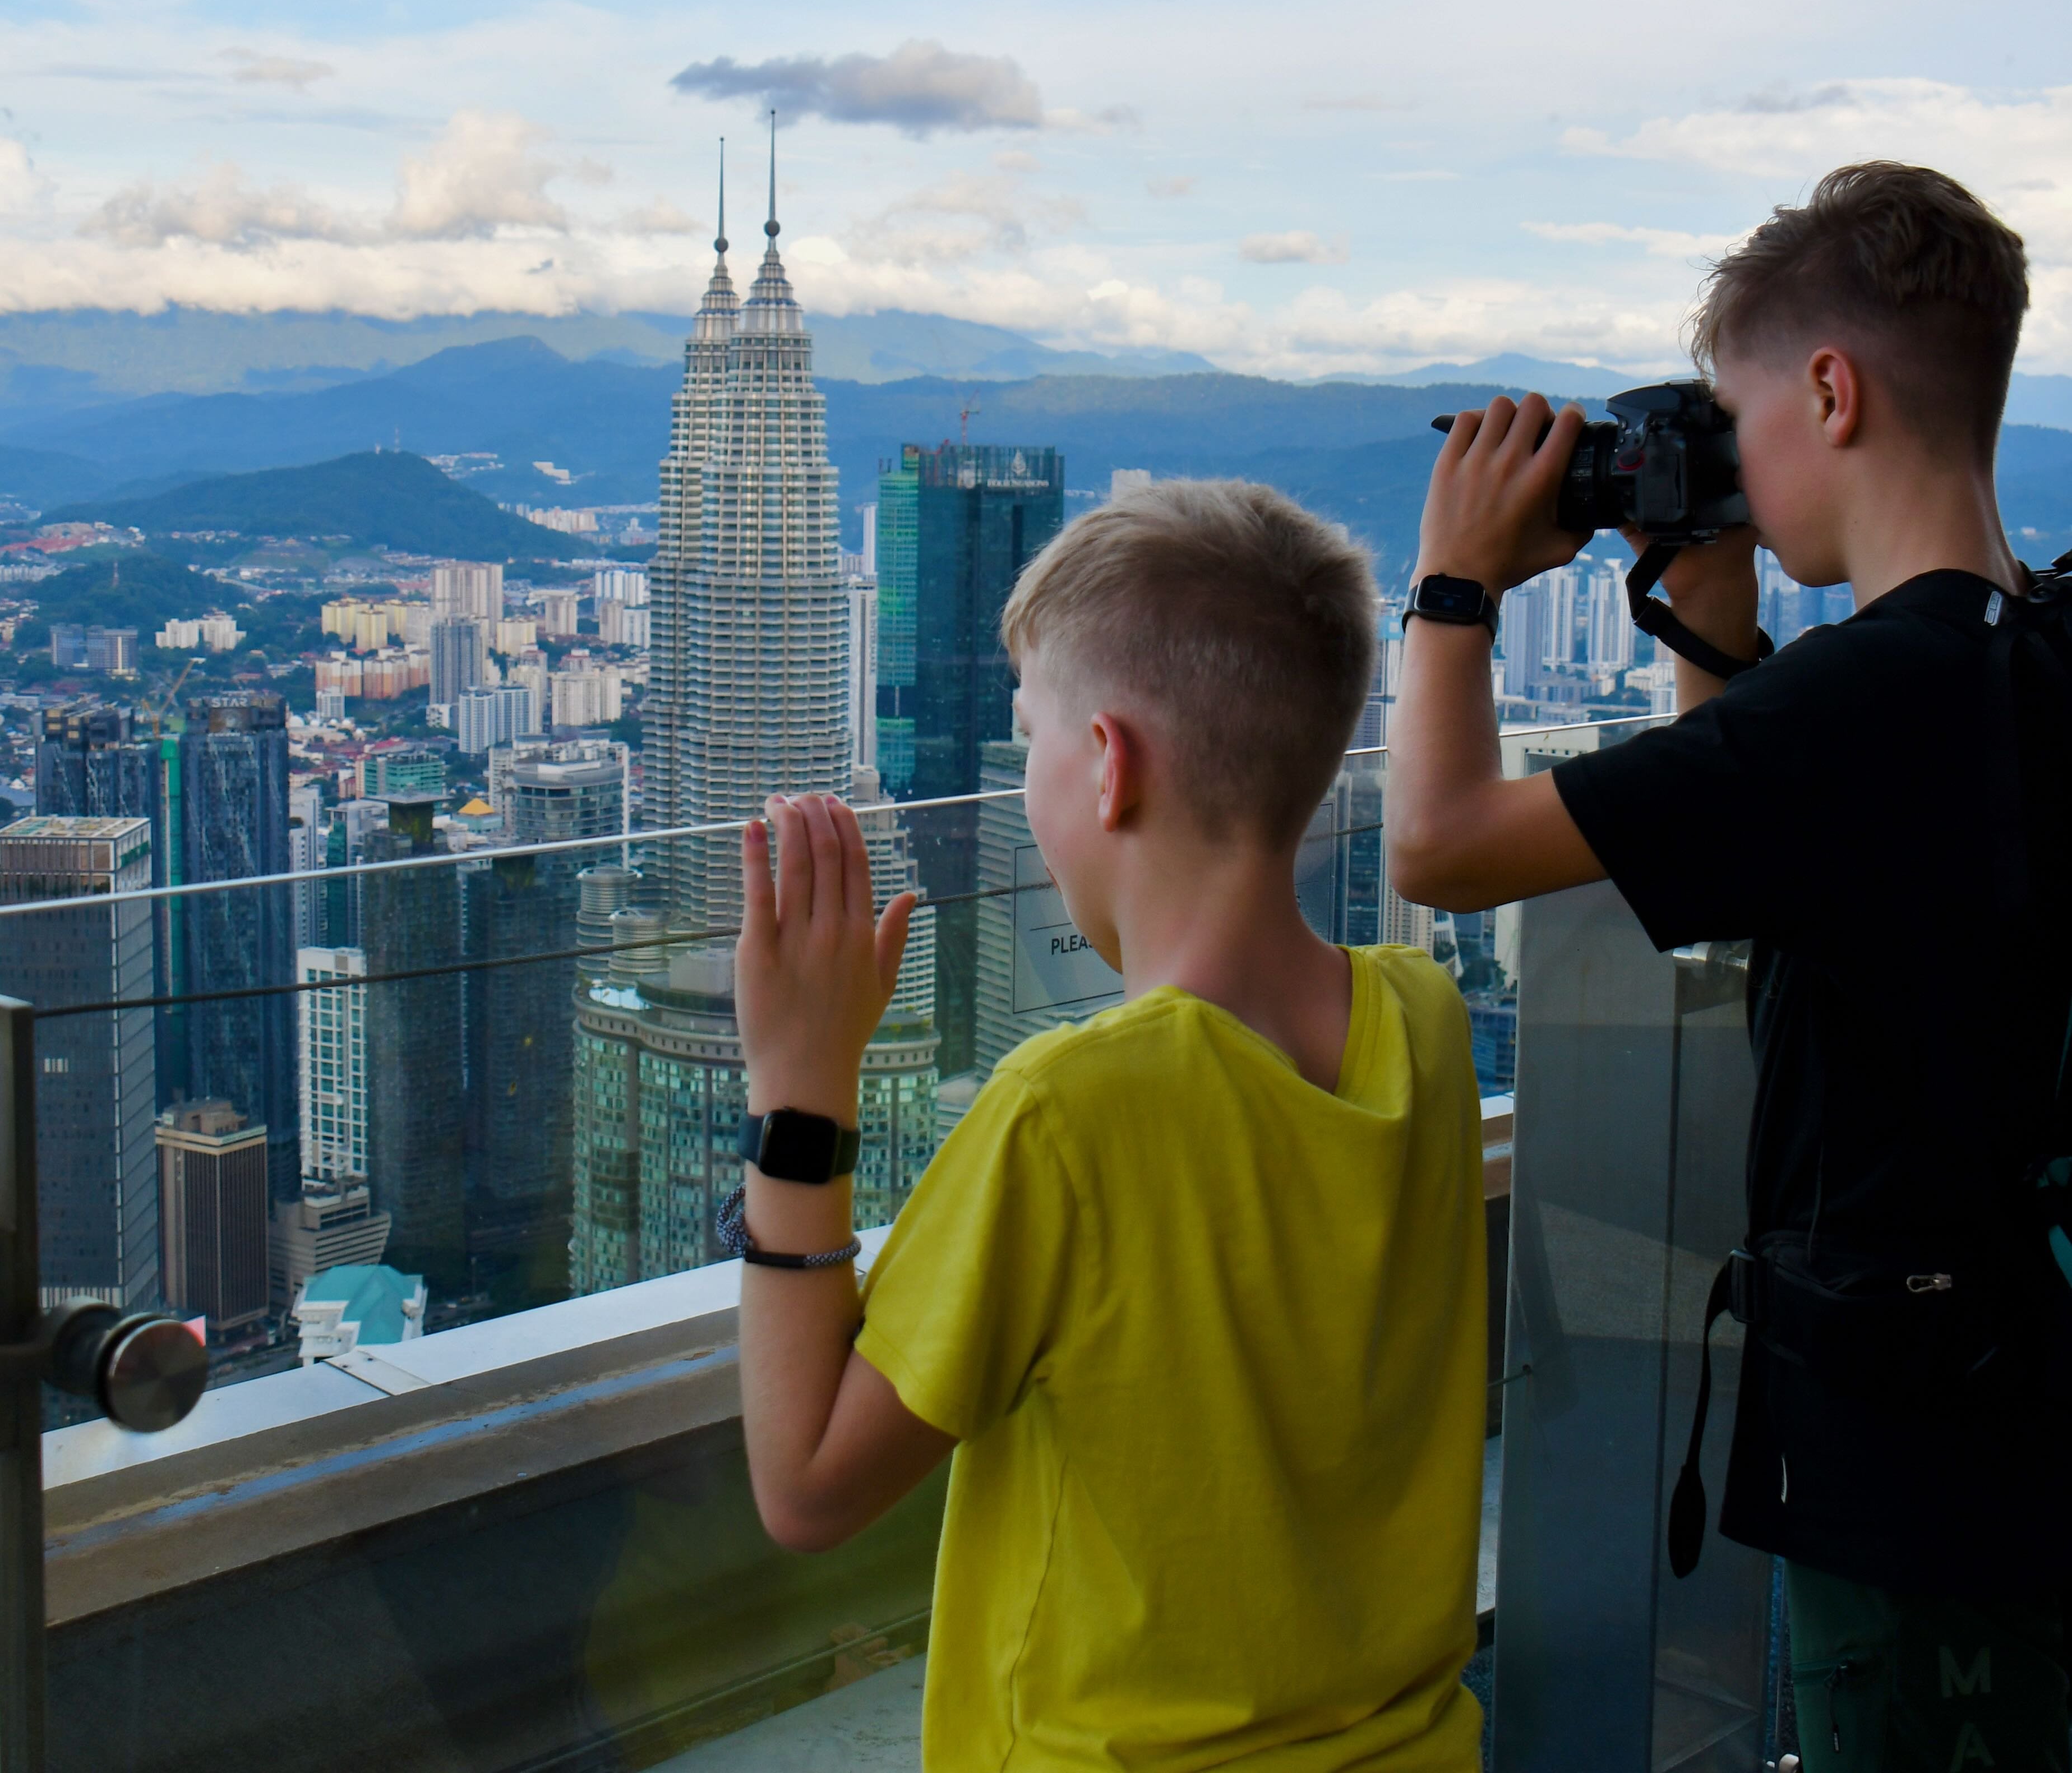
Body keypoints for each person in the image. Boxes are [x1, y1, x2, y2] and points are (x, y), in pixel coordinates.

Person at [1385, 161, 2072, 1773]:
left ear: (1832, 392)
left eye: (1743, 424)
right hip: (2030, 1392)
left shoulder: (1857, 704)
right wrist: (1708, 624)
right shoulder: (2033, 648)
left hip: (1915, 1460)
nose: (1740, 471)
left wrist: (1453, 584)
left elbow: (1437, 847)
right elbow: (1749, 875)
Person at [728, 480, 1489, 1772]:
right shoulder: (1422, 1020)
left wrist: (799, 1090)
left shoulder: (1066, 1113)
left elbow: (806, 1485)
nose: (1025, 787)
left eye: (1028, 741)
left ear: (1105, 760)